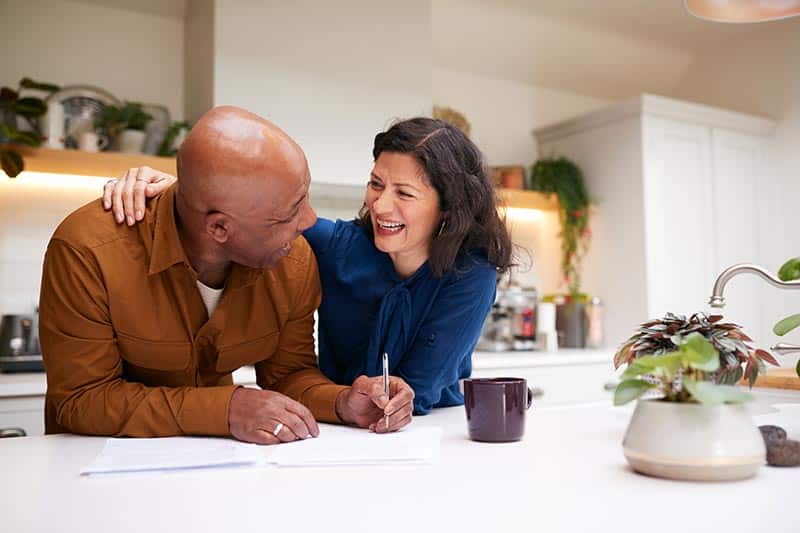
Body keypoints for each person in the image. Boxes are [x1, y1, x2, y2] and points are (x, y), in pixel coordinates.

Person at [40, 106, 414, 444]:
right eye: (287, 214)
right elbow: (81, 399)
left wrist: (344, 402)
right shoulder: (88, 251)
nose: (309, 221)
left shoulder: (292, 259)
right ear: (219, 229)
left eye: (304, 198)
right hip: (92, 475)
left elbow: (289, 375)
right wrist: (226, 409)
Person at [103, 117, 513, 414]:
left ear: (449, 210)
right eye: (376, 184)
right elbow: (249, 211)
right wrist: (182, 190)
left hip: (426, 432)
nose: (380, 205)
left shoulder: (471, 276)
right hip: (335, 421)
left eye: (404, 193)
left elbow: (417, 389)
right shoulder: (338, 247)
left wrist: (389, 400)